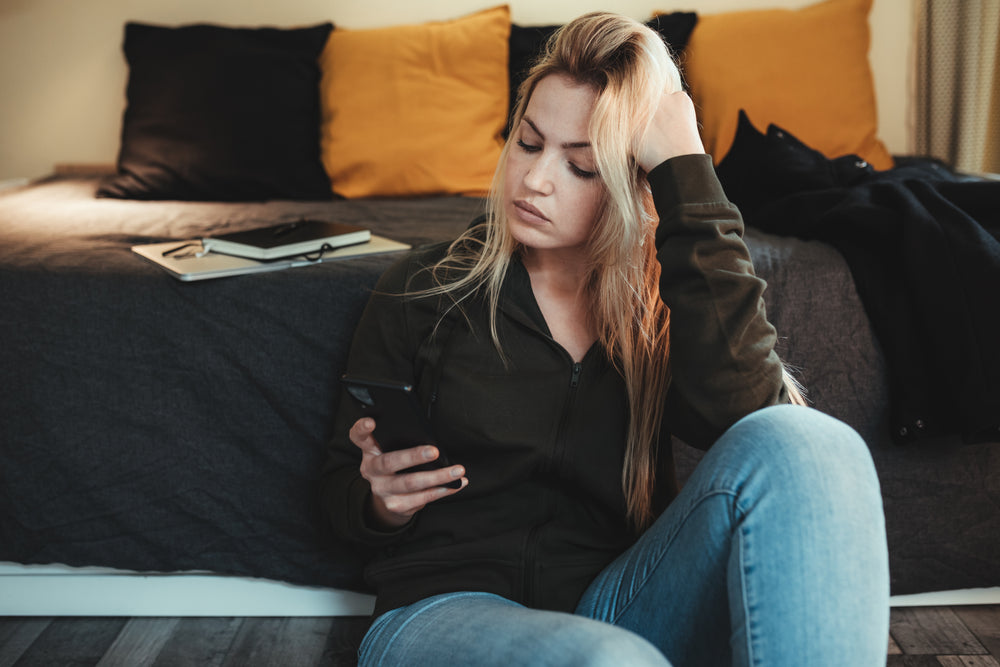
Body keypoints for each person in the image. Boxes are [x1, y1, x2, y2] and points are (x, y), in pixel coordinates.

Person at [322, 12, 889, 666]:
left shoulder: (666, 304)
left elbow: (749, 415)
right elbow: (337, 495)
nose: (535, 180)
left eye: (582, 166)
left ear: (631, 183)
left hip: (617, 603)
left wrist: (686, 166)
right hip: (442, 612)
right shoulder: (422, 288)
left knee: (811, 441)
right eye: (528, 143)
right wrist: (379, 501)